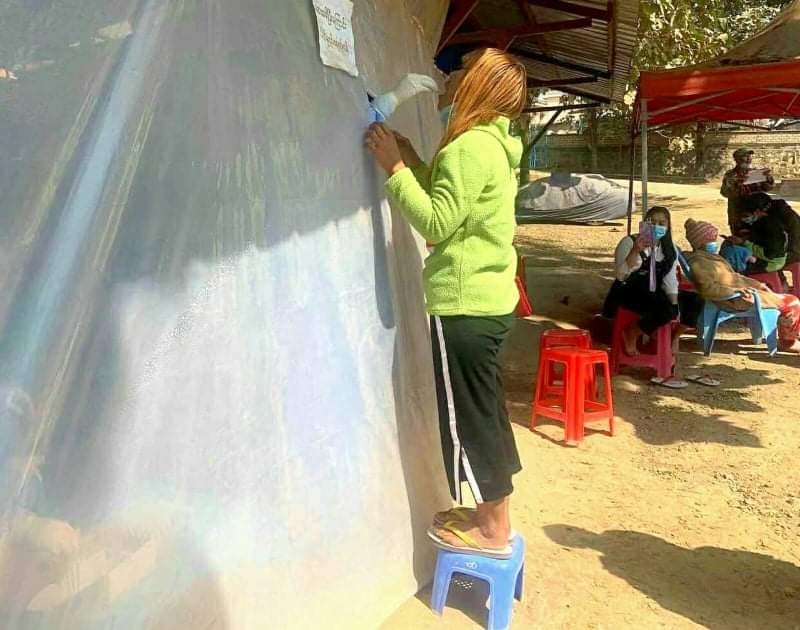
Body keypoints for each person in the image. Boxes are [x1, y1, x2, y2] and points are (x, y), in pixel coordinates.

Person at [365, 48, 526, 558]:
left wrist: (394, 169)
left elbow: (436, 223)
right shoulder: (494, 144)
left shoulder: (467, 148)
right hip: (489, 301)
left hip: (463, 304)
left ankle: (492, 530)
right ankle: (492, 517)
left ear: (476, 84)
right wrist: (414, 161)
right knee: (486, 413)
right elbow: (455, 205)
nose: (448, 78)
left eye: (459, 71)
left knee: (469, 421)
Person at [603, 206, 702, 383]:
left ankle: (674, 336)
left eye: (661, 223)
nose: (657, 226)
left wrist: (675, 304)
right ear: (644, 224)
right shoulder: (628, 242)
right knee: (665, 307)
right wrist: (635, 250)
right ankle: (632, 332)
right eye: (652, 222)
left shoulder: (669, 248)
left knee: (694, 301)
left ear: (668, 226)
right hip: (630, 292)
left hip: (655, 292)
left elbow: (670, 280)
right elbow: (621, 275)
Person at [684, 219, 800, 354]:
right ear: (701, 242)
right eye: (711, 240)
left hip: (743, 293)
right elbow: (708, 288)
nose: (715, 243)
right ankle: (788, 342)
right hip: (736, 299)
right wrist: (735, 291)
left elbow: (735, 277)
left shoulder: (709, 258)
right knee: (792, 302)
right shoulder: (700, 262)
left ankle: (789, 336)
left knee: (788, 300)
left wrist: (758, 285)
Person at [720, 147, 774, 235]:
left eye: (749, 156)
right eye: (745, 156)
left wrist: (768, 179)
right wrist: (737, 185)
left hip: (757, 213)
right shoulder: (730, 175)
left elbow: (767, 188)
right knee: (740, 238)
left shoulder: (756, 173)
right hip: (738, 215)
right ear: (737, 159)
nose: (749, 158)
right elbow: (725, 193)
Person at [744, 192, 800, 265]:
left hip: (791, 252)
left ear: (758, 211)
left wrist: (746, 242)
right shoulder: (774, 212)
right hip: (785, 250)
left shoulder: (775, 220)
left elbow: (774, 252)